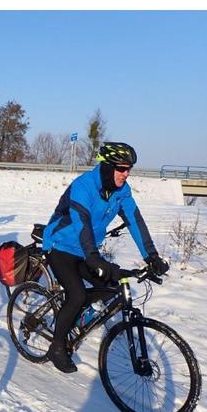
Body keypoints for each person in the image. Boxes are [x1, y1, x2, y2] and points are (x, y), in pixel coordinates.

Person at [41, 141, 170, 373]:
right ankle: (56, 346)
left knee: (112, 285)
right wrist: (94, 258)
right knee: (77, 294)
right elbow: (82, 224)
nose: (126, 174)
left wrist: (151, 256)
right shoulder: (83, 186)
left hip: (86, 250)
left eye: (129, 169)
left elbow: (135, 221)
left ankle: (76, 315)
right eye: (121, 168)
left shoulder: (122, 191)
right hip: (61, 246)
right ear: (107, 167)